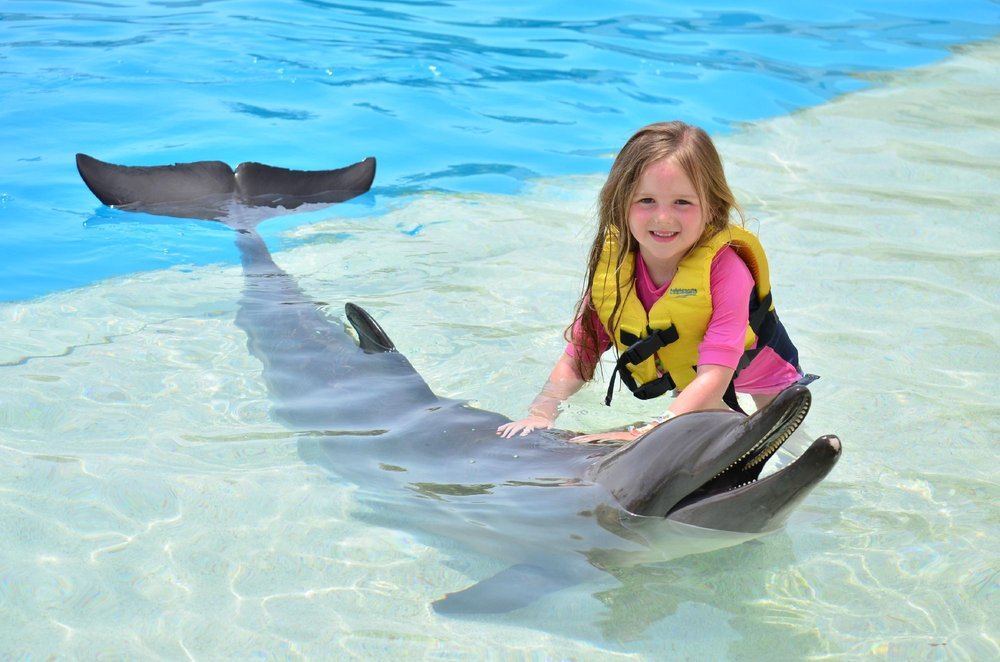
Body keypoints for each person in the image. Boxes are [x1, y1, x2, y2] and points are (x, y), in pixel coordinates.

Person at [497, 121, 805, 443]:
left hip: (758, 370)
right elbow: (580, 355)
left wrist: (642, 433)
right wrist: (543, 411)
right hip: (691, 375)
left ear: (712, 208)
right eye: (646, 201)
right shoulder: (616, 270)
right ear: (621, 204)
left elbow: (714, 378)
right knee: (688, 417)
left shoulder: (727, 272)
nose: (663, 218)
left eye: (682, 202)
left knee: (782, 435)